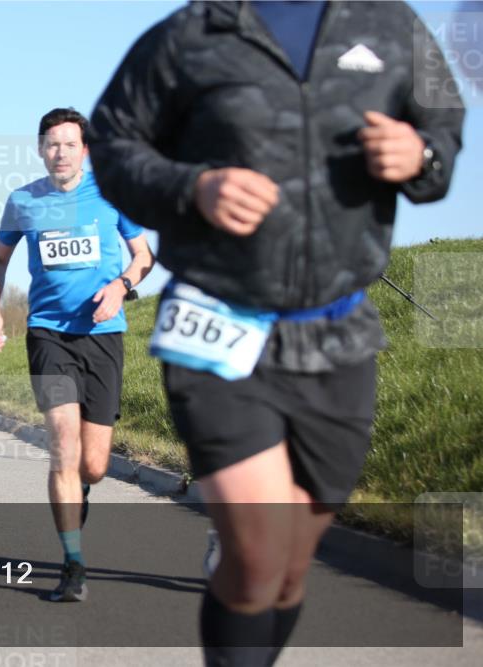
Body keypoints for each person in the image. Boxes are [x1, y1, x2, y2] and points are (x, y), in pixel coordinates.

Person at [87, 2, 464, 664]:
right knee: (258, 549)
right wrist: (192, 186)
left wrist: (422, 153)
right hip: (217, 323)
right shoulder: (191, 34)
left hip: (337, 335)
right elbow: (114, 145)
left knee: (288, 564)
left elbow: (443, 123)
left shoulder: (392, 23)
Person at [0, 107, 154, 601]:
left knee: (94, 465)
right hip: (49, 336)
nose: (60, 152)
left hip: (103, 337)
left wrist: (121, 288)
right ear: (40, 149)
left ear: (85, 150)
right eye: (51, 144)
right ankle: (73, 564)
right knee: (63, 446)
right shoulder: (23, 201)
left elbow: (144, 257)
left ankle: (81, 491)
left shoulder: (111, 194)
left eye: (70, 143)